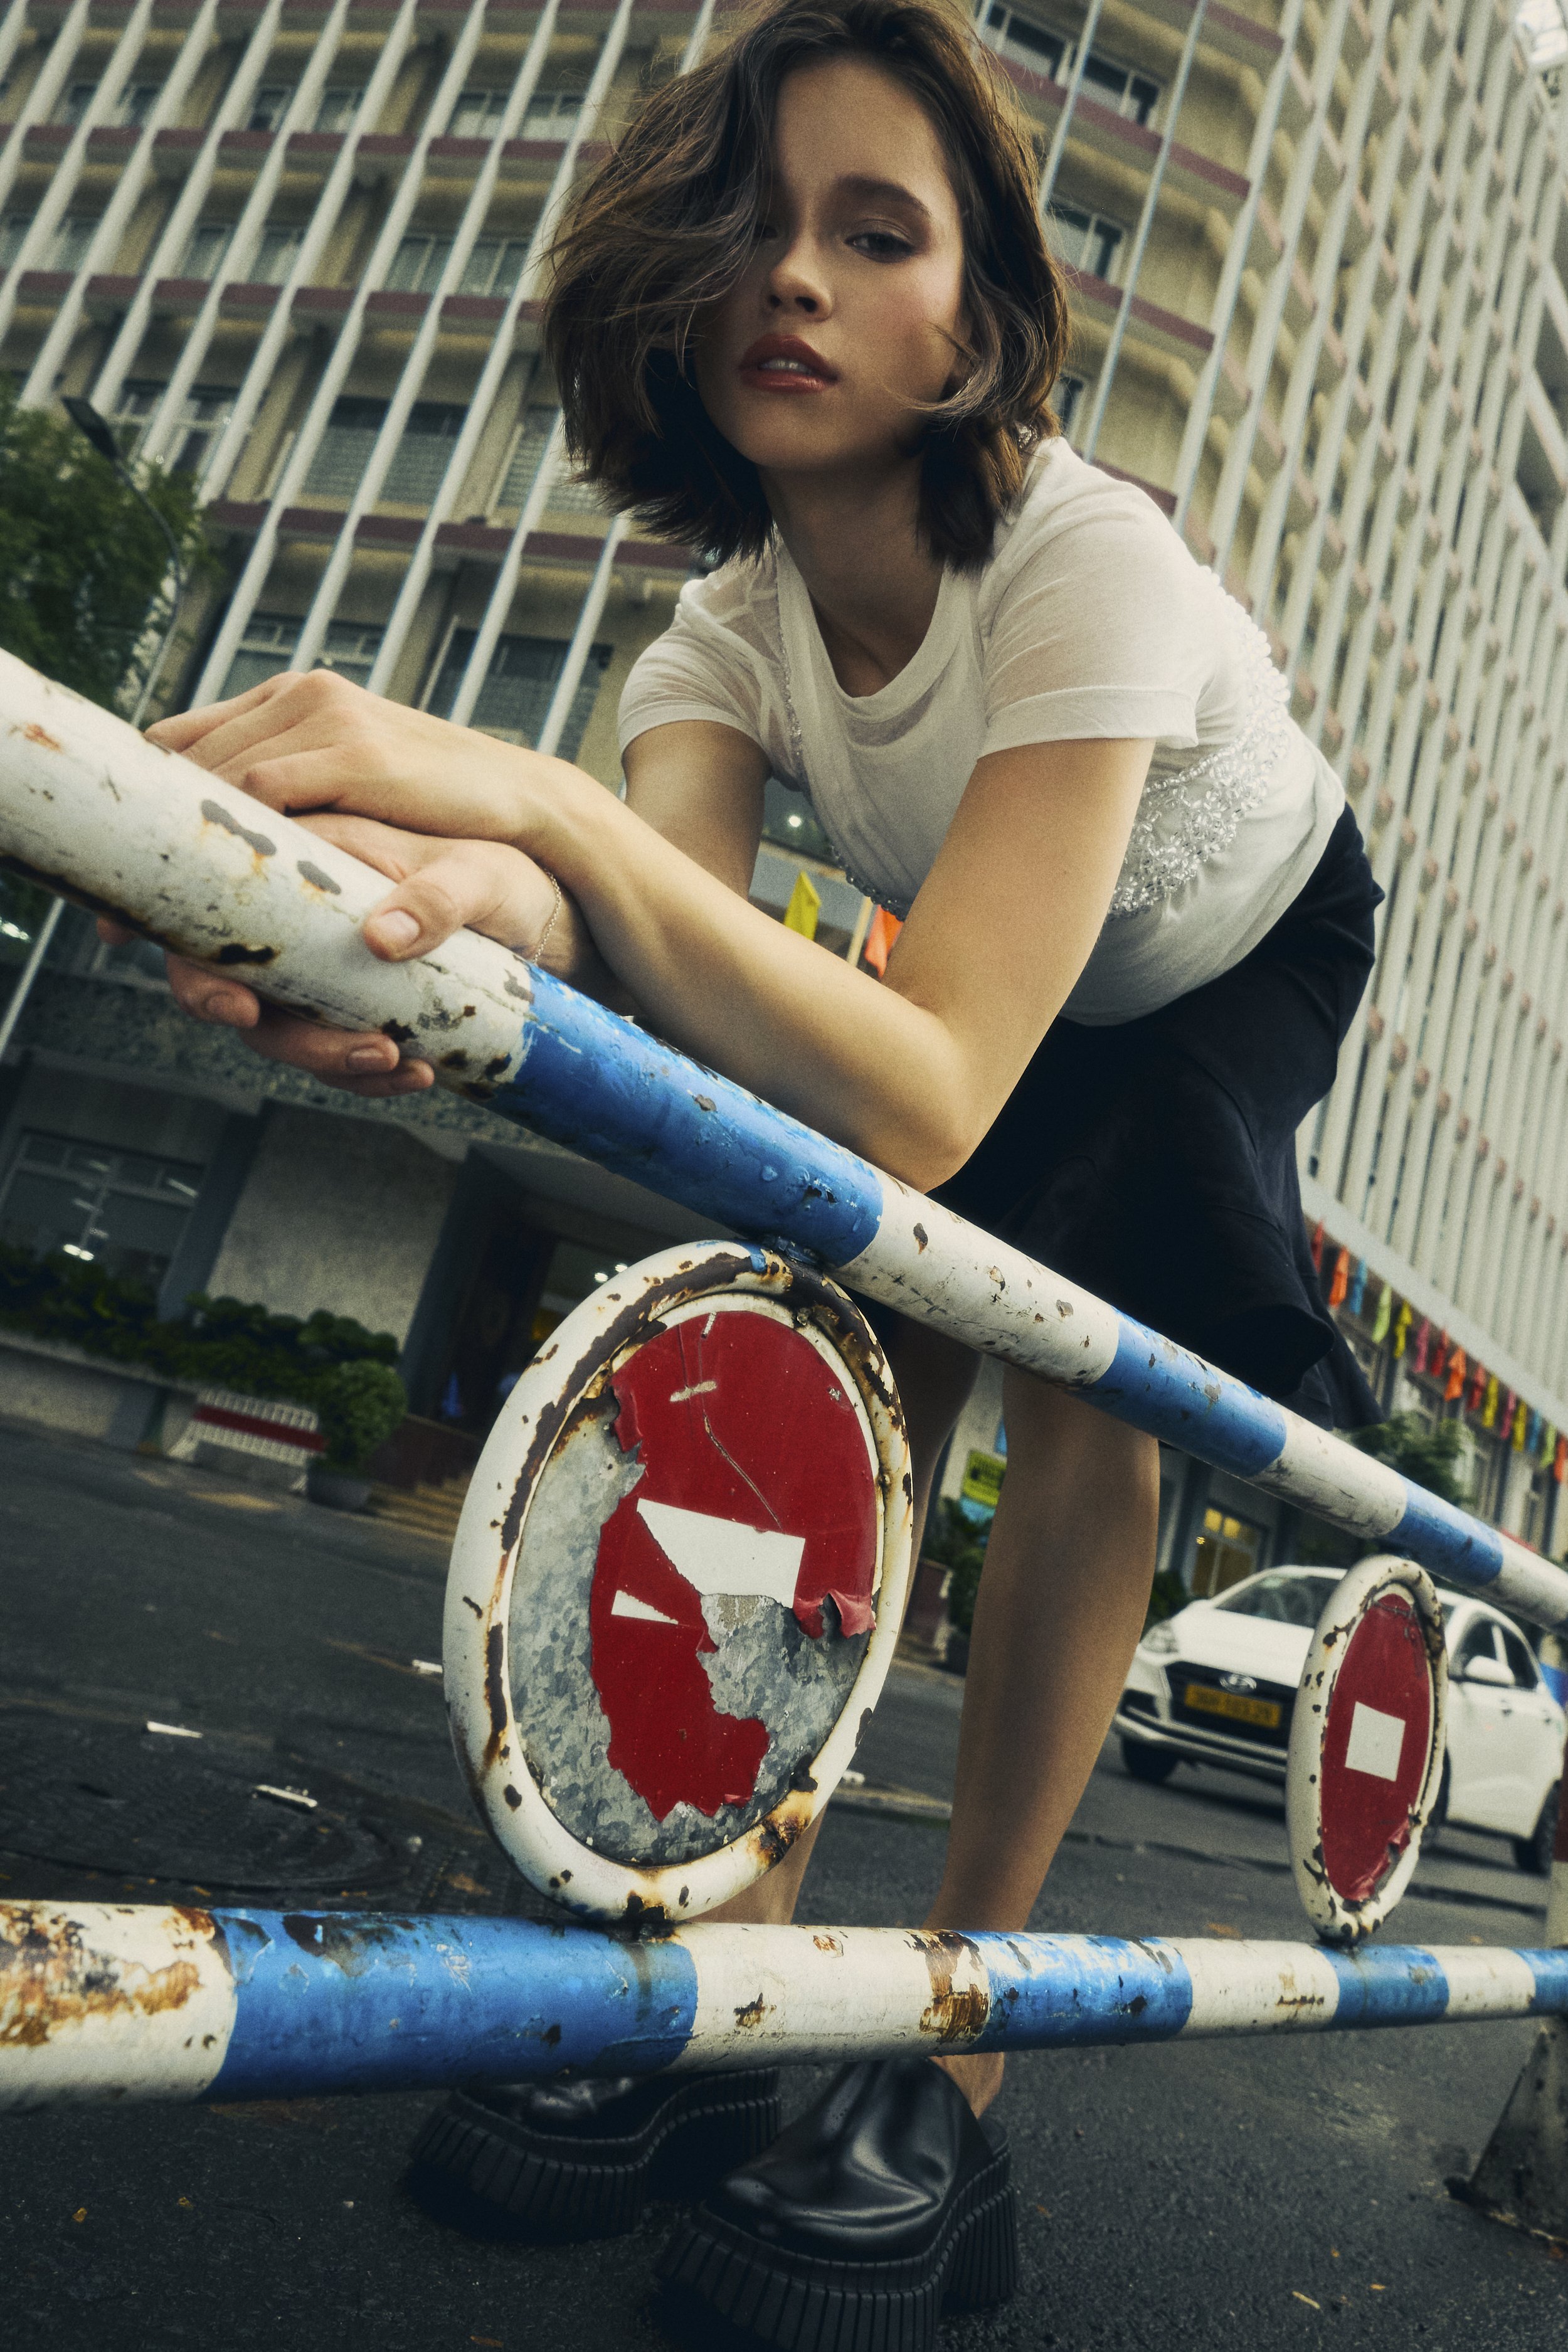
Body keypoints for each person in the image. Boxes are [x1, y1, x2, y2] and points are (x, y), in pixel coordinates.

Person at [127, 2, 1382, 2341]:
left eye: (871, 231)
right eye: (749, 231)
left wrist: (543, 811)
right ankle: (728, 1946)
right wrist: (447, 910)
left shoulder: (1089, 557)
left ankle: (954, 2041)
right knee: (847, 1281)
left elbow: (924, 1079)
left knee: (1082, 1311)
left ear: (976, 321)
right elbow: (649, 968)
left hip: (1230, 942)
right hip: (987, 972)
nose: (791, 280)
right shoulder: (719, 637)